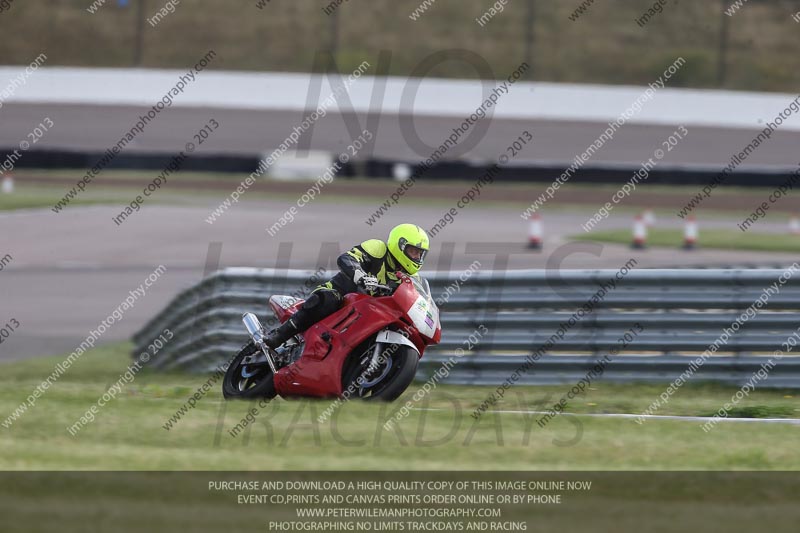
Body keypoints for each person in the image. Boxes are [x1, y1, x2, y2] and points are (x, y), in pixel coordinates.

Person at [263, 223, 430, 349]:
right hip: (341, 298)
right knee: (330, 299)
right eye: (413, 251)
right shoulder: (378, 248)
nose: (416, 256)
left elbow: (414, 299)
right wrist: (361, 276)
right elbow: (346, 259)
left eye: (419, 254)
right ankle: (279, 335)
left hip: (367, 314)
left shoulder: (411, 278)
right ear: (399, 245)